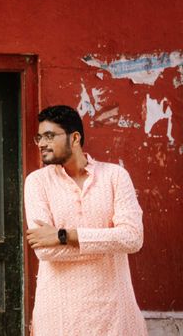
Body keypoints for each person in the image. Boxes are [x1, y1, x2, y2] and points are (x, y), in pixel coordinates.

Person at [24, 104, 146, 335]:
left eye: (49, 136)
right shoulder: (37, 182)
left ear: (75, 138)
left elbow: (132, 238)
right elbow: (45, 251)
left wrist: (65, 236)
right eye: (39, 137)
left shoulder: (115, 176)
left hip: (114, 313)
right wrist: (110, 243)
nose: (41, 144)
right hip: (59, 315)